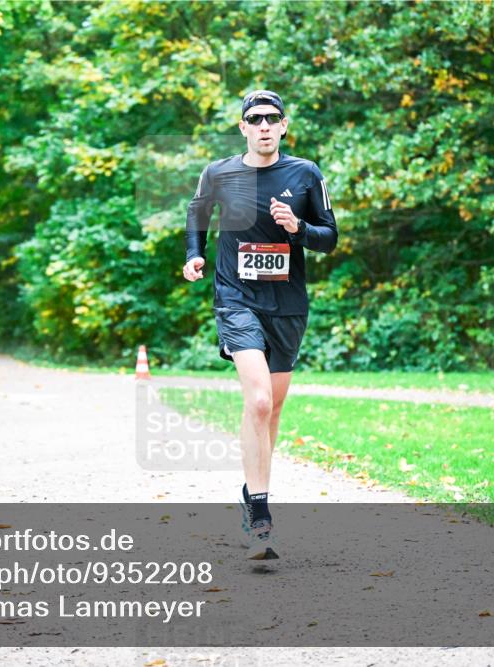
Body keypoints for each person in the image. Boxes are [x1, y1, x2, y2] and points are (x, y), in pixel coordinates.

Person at [183, 90, 338, 560]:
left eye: (273, 118)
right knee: (258, 398)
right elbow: (197, 212)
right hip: (236, 298)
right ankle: (261, 512)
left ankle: (251, 491)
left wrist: (298, 228)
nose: (265, 125)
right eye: (256, 118)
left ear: (284, 126)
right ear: (243, 126)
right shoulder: (220, 172)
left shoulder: (305, 174)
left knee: (270, 412)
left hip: (287, 304)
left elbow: (329, 239)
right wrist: (195, 254)